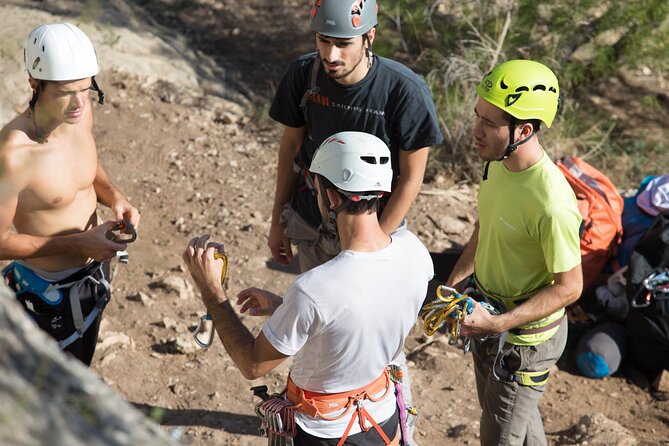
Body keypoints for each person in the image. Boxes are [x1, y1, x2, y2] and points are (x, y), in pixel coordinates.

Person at [183, 131, 433, 445]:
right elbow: (367, 309)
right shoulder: (414, 252)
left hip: (325, 433)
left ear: (329, 196)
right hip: (383, 420)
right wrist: (284, 308)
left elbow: (252, 364)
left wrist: (211, 291)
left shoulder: (314, 289)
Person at [444, 60, 583, 446]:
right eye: (477, 116)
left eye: (489, 124)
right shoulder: (498, 165)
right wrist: (453, 284)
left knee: (499, 434)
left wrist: (499, 325)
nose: (475, 132)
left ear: (523, 130)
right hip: (490, 318)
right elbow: (485, 225)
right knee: (514, 423)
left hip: (523, 342)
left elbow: (570, 288)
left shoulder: (552, 203)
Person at [0, 22, 140, 365]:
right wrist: (76, 243)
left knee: (83, 363)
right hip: (45, 294)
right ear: (34, 83)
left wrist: (115, 196)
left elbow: (88, 168)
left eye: (86, 88)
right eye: (66, 92)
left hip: (93, 276)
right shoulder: (14, 153)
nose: (79, 103)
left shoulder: (80, 113)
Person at [268, 0, 443, 273]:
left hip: (376, 226)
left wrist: (371, 250)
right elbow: (292, 145)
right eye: (323, 40)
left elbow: (411, 178)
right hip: (312, 223)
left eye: (343, 43)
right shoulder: (303, 75)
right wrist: (277, 221)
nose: (331, 54)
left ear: (369, 36)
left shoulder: (404, 91)